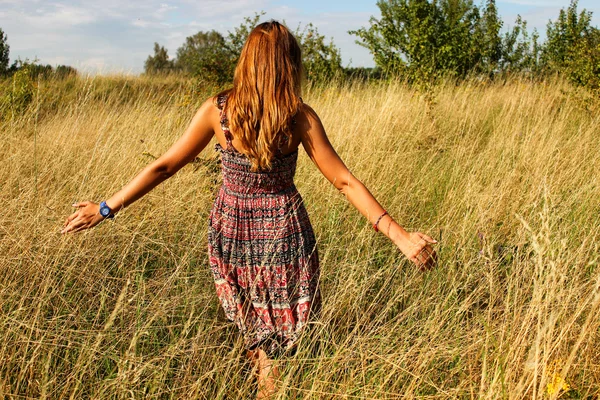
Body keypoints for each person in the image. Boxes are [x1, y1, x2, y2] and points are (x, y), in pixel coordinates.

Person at [62, 20, 437, 399]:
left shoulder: (218, 111)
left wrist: (105, 208)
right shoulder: (300, 118)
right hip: (284, 233)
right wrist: (400, 236)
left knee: (256, 334)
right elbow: (345, 182)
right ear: (288, 64)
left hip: (233, 232)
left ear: (247, 61)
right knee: (282, 341)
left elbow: (164, 166)